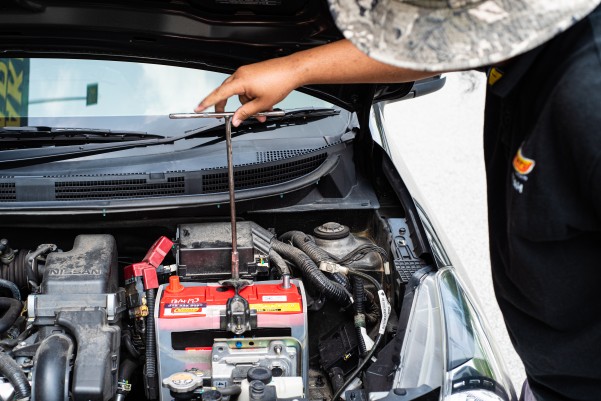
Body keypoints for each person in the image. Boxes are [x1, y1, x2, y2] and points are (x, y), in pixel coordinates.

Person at [196, 1, 601, 400]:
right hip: (550, 380)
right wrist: (295, 69)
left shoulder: (588, 99)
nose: (432, 35)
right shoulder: (522, 40)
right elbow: (441, 45)